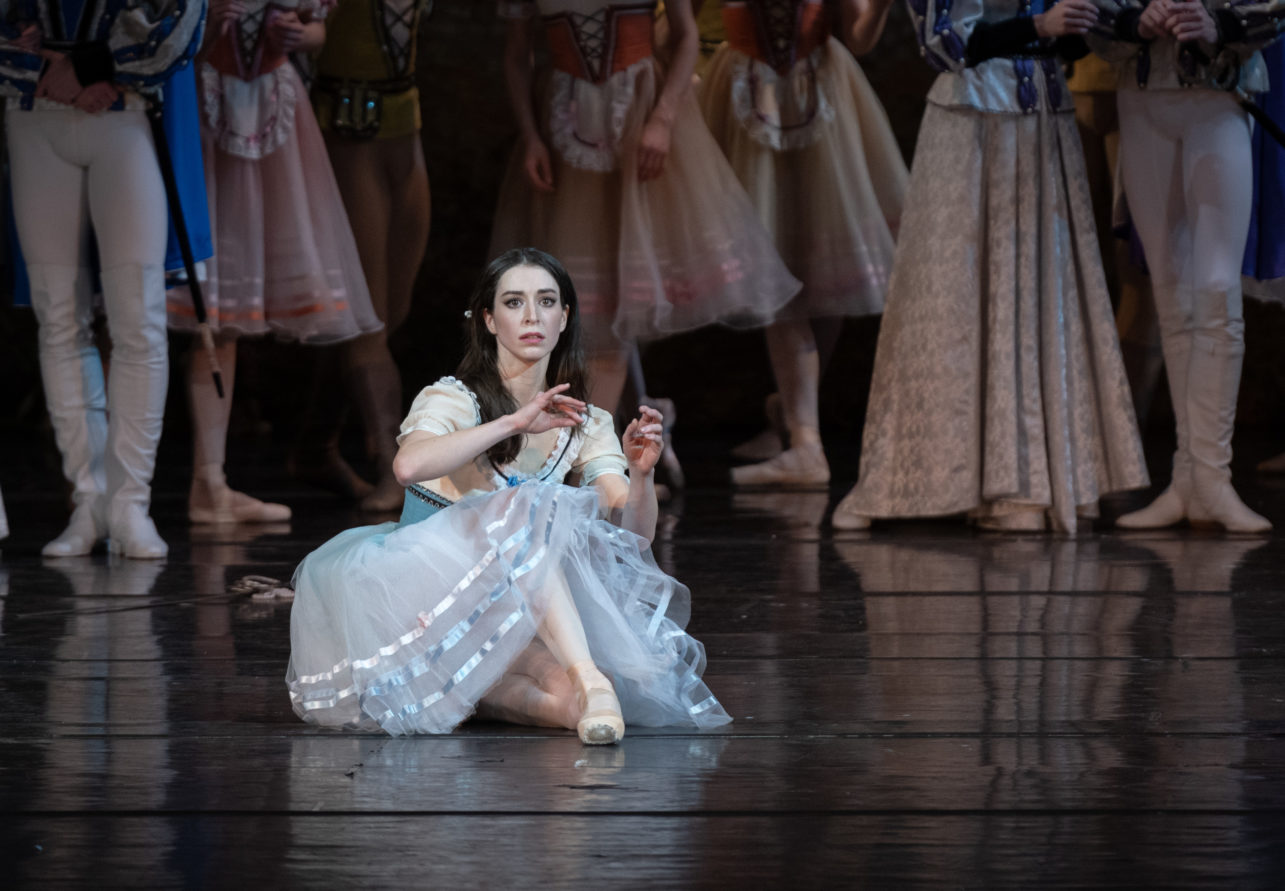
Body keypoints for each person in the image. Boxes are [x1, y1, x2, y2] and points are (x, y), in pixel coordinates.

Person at [286, 248, 731, 743]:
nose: (532, 316)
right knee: (527, 507)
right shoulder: (454, 398)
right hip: (423, 600)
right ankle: (591, 679)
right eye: (514, 302)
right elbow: (407, 467)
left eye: (546, 302)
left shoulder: (586, 422)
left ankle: (560, 699)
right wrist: (514, 422)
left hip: (510, 602)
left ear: (565, 317)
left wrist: (642, 476)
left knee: (560, 693)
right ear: (489, 320)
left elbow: (635, 537)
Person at [830, 0, 1149, 533]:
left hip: (1044, 119)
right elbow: (944, 44)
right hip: (974, 120)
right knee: (959, 296)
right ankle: (964, 480)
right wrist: (1039, 25)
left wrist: (1090, 23)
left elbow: (1077, 40)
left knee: (1043, 298)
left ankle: (1038, 481)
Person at [489, 0, 801, 415]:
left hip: (640, 113)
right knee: (584, 301)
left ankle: (594, 445)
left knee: (618, 302)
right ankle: (621, 432)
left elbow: (686, 35)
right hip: (566, 122)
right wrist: (530, 135)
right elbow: (517, 54)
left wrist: (664, 119)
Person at [1, 0, 205, 558]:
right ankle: (88, 500)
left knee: (138, 318)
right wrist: (44, 68)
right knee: (58, 318)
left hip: (125, 111)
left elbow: (185, 17)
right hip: (34, 111)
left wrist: (93, 66)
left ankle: (130, 503)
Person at [169, 0, 382, 525]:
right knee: (185, 301)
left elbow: (316, 30)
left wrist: (297, 35)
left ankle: (210, 479)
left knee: (228, 313)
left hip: (272, 111)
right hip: (202, 104)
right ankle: (120, 487)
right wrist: (206, 27)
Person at [698, 0, 908, 488]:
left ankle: (801, 432)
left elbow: (859, 36)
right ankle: (797, 428)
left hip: (819, 91)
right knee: (773, 257)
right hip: (744, 89)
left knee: (823, 265)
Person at [1092, 0, 1283, 532]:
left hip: (1219, 92)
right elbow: (1088, 12)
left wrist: (1219, 22)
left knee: (1217, 288)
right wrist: (1133, 21)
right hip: (1141, 92)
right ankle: (1188, 478)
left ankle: (1213, 478)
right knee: (1171, 292)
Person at [290, 0, 433, 512]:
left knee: (391, 311)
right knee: (368, 319)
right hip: (348, 130)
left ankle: (315, 444)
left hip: (403, 131)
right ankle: (393, 467)